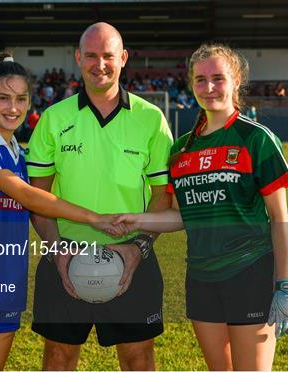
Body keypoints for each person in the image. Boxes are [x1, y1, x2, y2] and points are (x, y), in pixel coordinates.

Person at [0, 52, 121, 371]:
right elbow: (29, 196)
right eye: (3, 98)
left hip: (6, 283)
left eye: (20, 99)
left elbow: (39, 209)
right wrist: (95, 218)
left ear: (30, 103)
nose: (12, 108)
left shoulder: (21, 156)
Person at [114, 44, 288, 370]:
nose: (209, 87)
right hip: (201, 278)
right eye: (200, 80)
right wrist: (136, 220)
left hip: (251, 273)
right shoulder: (181, 149)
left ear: (236, 80)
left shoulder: (256, 138)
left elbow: (279, 216)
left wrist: (285, 286)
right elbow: (182, 216)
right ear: (191, 83)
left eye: (218, 78)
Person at [26, 22, 173, 370]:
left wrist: (138, 248)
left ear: (123, 58)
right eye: (91, 55)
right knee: (58, 357)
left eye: (108, 55)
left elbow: (161, 198)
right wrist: (57, 248)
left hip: (132, 257)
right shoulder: (53, 118)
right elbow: (37, 199)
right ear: (78, 58)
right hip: (64, 252)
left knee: (138, 357)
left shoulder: (151, 119)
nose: (100, 64)